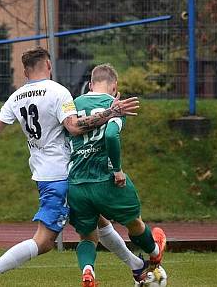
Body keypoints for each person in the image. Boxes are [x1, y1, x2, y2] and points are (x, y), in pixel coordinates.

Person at [0, 47, 139, 287]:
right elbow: (75, 127)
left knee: (98, 221)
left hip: (45, 176)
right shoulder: (59, 92)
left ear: (25, 71)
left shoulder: (16, 97)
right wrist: (112, 112)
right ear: (48, 65)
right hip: (65, 174)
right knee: (45, 241)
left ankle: (137, 267)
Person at [67, 64, 166, 287]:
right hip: (105, 180)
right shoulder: (115, 105)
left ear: (90, 84)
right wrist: (117, 169)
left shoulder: (72, 105)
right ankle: (155, 251)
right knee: (135, 223)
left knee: (87, 237)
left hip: (76, 182)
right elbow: (111, 135)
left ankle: (88, 271)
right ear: (115, 87)